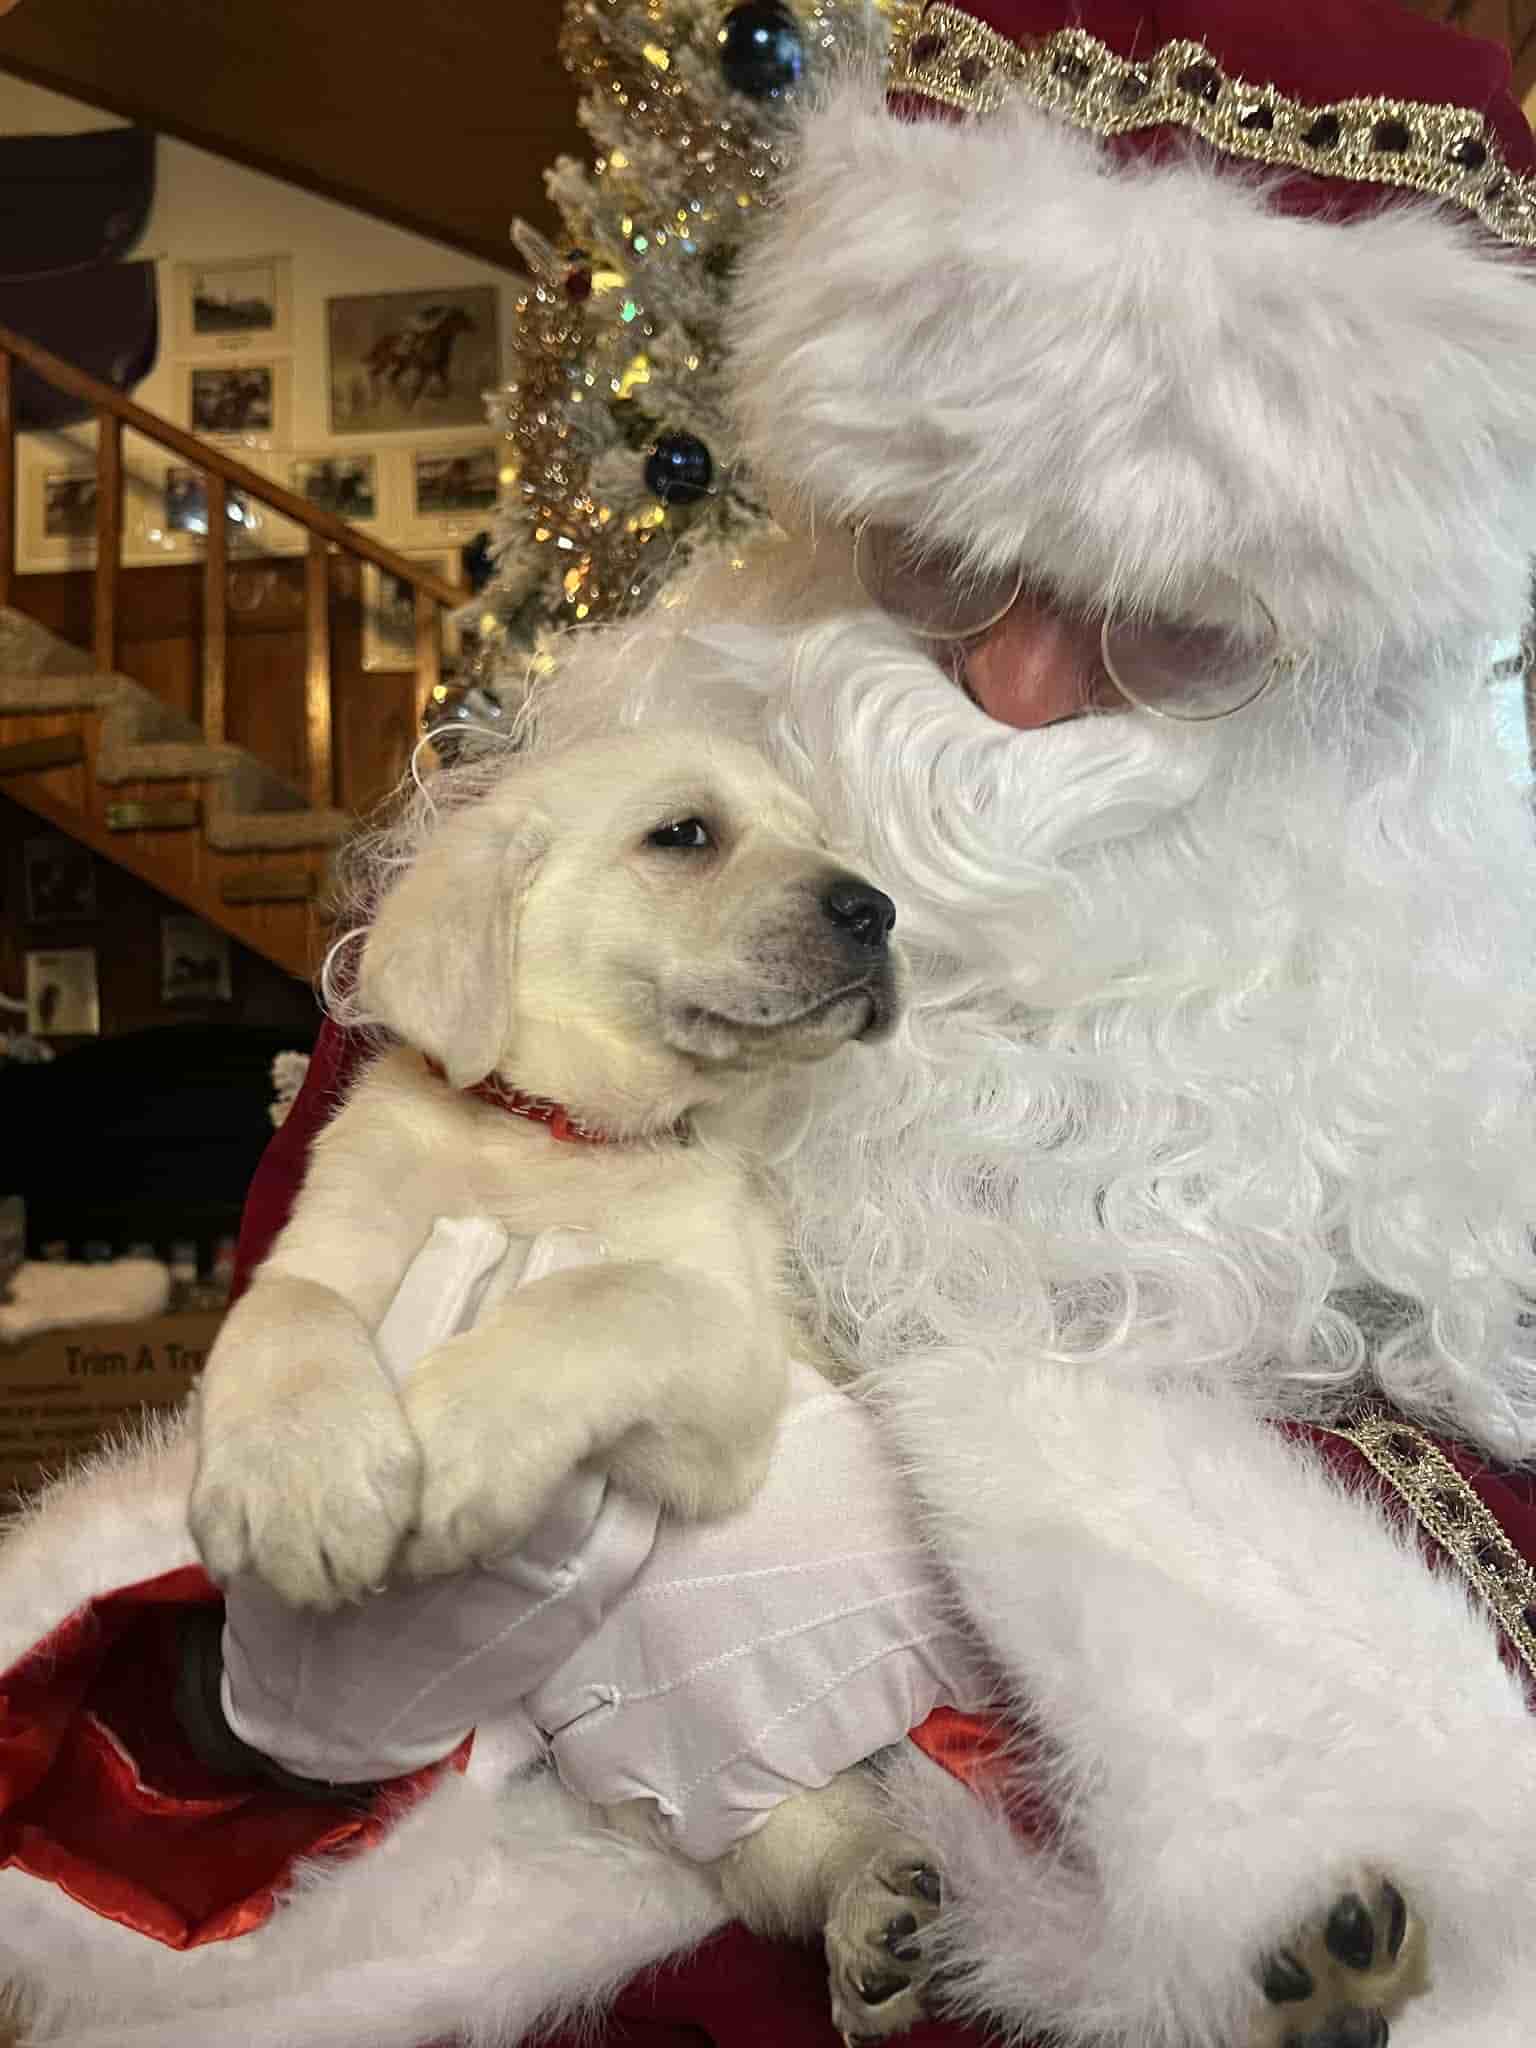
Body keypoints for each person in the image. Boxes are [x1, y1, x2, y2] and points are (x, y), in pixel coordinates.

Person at [5, 0, 1536, 2044]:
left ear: (1356, 669)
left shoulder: (1464, 1008)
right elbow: (292, 1440)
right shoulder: (605, 826)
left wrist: (1003, 1571)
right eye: (943, 558)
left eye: (1171, 627)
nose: (1012, 693)